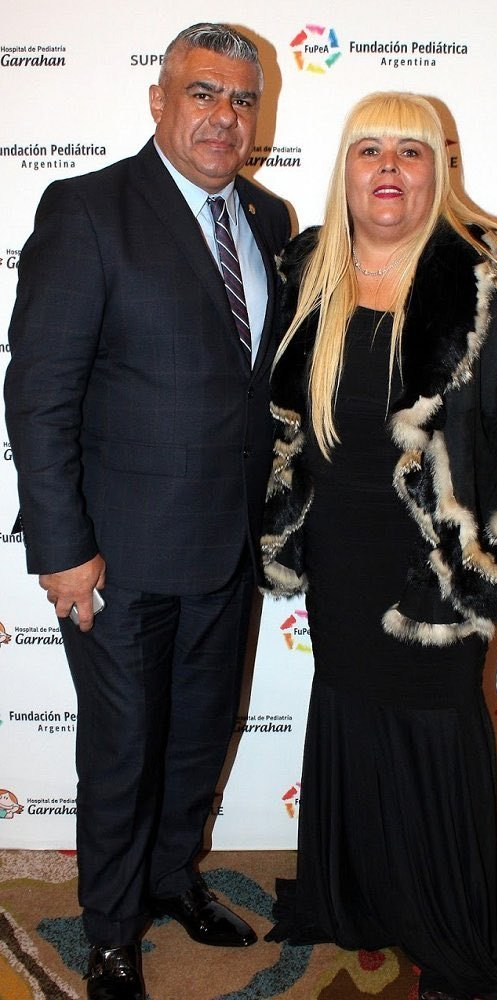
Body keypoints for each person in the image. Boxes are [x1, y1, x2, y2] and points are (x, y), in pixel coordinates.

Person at [261, 92, 497, 1000]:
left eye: (410, 149)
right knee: (350, 709)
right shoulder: (310, 264)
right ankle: (357, 898)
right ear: (345, 169)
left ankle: (447, 925)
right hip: (338, 544)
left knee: (435, 723)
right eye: (369, 150)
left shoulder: (490, 271)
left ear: (439, 168)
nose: (388, 167)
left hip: (442, 554)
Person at [4, 22, 290, 1000]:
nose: (224, 116)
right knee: (123, 752)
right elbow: (39, 392)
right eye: (203, 93)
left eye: (242, 100)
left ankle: (173, 881)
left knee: (200, 737)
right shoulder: (88, 209)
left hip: (229, 545)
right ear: (160, 100)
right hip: (116, 556)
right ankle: (112, 929)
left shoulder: (269, 216)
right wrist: (62, 547)